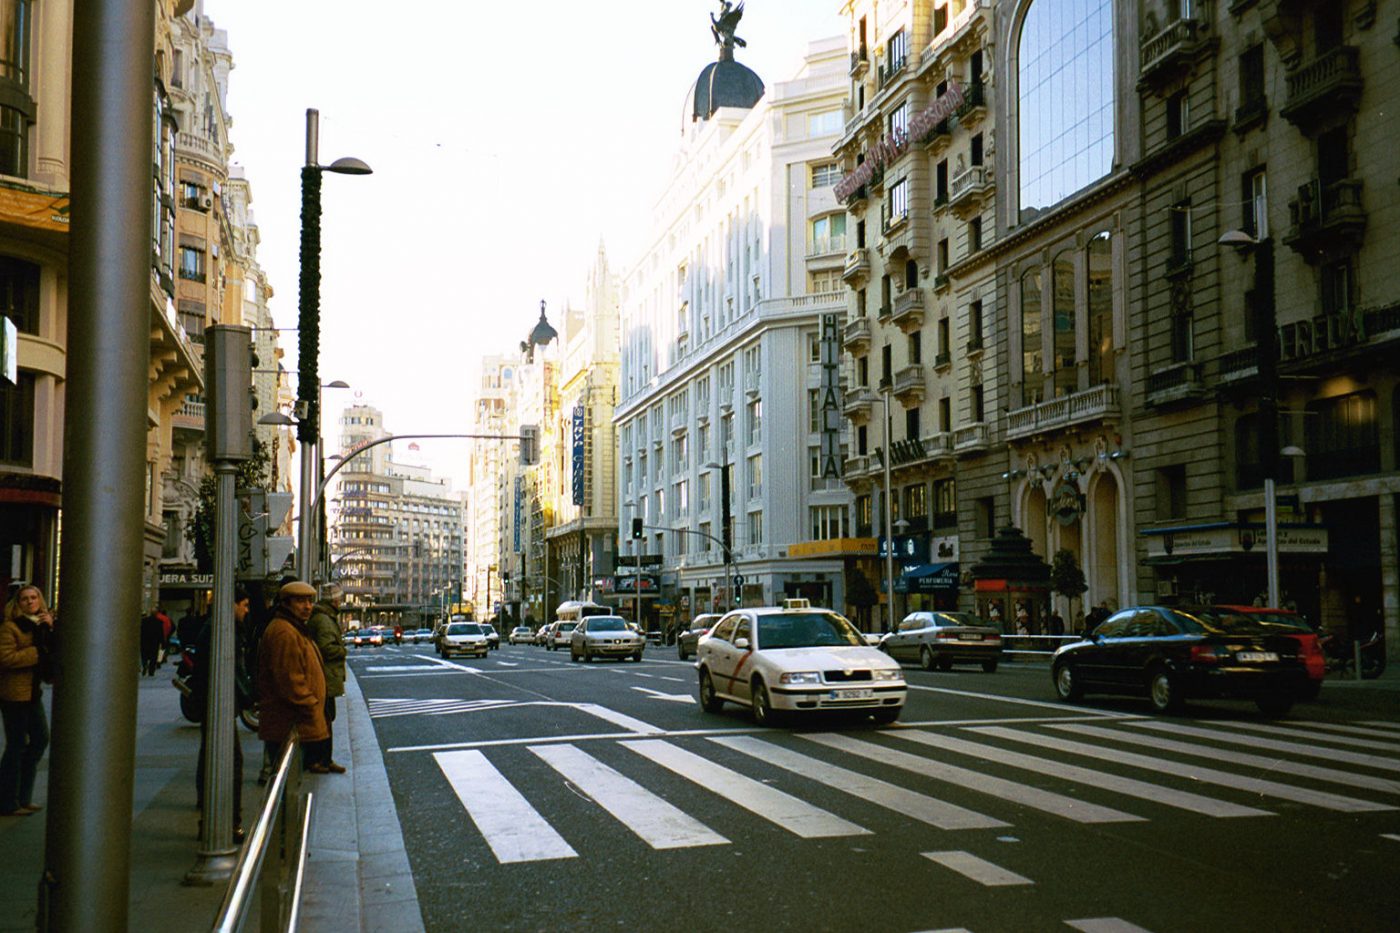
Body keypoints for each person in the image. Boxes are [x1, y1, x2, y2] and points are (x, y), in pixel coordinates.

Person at [193, 587, 252, 841]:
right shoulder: (224, 630)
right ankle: (228, 822)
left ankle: (211, 816)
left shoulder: (214, 627)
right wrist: (250, 697)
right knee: (230, 761)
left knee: (211, 755)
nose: (247, 611)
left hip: (214, 701)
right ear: (232, 605)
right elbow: (233, 670)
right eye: (244, 605)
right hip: (218, 702)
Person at [256, 581, 328, 777]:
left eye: (310, 601)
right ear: (286, 604)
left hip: (294, 722)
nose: (307, 606)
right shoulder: (284, 632)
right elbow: (290, 681)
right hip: (289, 723)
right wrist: (311, 706)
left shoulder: (294, 627)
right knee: (285, 783)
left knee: (290, 781)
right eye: (300, 601)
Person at [0, 584, 54, 817]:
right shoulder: (10, 628)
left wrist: (51, 629)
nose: (30, 602)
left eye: (34, 597)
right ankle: (8, 801)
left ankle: (23, 797)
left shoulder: (40, 626)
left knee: (40, 739)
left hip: (32, 693)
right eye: (24, 599)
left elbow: (54, 650)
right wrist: (35, 653)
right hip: (14, 694)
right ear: (17, 603)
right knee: (16, 746)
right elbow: (6, 658)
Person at [304, 583, 347, 775]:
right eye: (339, 598)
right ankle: (319, 759)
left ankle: (325, 759)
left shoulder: (324, 617)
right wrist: (342, 650)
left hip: (326, 677)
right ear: (334, 600)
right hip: (325, 677)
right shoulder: (324, 620)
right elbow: (326, 648)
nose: (341, 601)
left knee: (327, 718)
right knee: (324, 719)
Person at [139, 608, 164, 676]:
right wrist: (162, 642)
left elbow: (140, 631)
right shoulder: (159, 622)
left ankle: (145, 665)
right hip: (154, 642)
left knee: (144, 655)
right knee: (153, 656)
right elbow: (161, 633)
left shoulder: (144, 621)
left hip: (144, 641)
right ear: (156, 614)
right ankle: (151, 670)